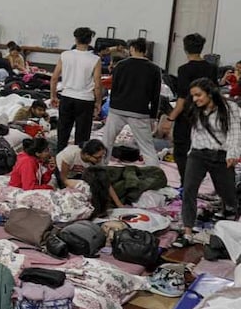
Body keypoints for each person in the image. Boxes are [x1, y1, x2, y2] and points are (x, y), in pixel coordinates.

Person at [176, 78, 241, 246]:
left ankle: (230, 211)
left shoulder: (229, 108)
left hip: (221, 155)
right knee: (189, 189)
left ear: (210, 93)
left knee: (227, 193)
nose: (195, 99)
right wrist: (191, 152)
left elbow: (235, 133)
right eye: (193, 96)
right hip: (198, 154)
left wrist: (232, 154)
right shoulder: (196, 110)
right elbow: (195, 133)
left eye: (199, 95)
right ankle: (188, 231)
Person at [167, 33, 218, 185]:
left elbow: (182, 98)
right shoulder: (212, 68)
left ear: (185, 48)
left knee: (182, 151)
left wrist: (171, 118)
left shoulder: (184, 70)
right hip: (206, 114)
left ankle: (187, 182)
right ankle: (196, 180)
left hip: (188, 115)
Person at [102, 38, 162, 166]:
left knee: (107, 142)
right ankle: (155, 174)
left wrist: (113, 107)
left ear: (132, 49)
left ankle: (100, 168)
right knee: (147, 147)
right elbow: (156, 95)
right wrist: (152, 117)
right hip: (140, 112)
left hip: (118, 109)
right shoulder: (155, 69)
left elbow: (114, 88)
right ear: (145, 51)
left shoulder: (121, 65)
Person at [50, 27, 102, 151]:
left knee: (62, 134)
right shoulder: (95, 59)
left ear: (75, 39)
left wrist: (53, 96)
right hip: (85, 100)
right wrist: (98, 102)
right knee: (82, 137)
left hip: (67, 97)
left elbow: (54, 78)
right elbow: (98, 84)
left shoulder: (65, 55)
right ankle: (79, 165)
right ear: (90, 41)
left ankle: (59, 164)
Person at [54, 140, 122, 208]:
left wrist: (119, 204)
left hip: (78, 173)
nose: (100, 160)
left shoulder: (97, 162)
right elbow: (64, 179)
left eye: (102, 157)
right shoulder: (70, 154)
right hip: (63, 173)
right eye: (97, 157)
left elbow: (106, 182)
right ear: (86, 155)